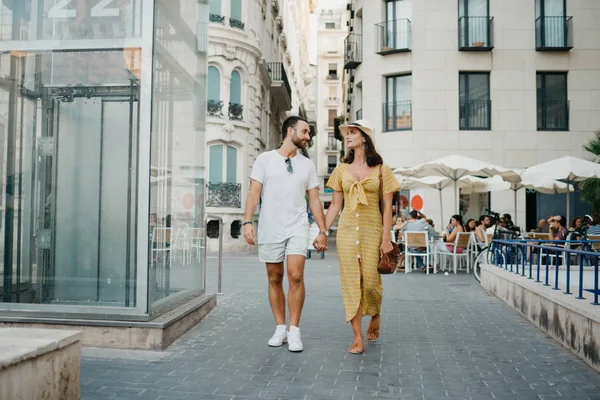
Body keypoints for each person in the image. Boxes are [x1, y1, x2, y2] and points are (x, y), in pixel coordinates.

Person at [243, 115, 328, 352]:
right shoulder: (265, 159)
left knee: (295, 275)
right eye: (304, 132)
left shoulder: (307, 165)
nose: (308, 136)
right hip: (270, 226)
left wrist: (322, 230)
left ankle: (294, 330)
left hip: (298, 225)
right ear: (290, 132)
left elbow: (314, 200)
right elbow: (253, 193)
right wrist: (248, 221)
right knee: (274, 276)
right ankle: (280, 327)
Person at [324, 120, 399, 355]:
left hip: (373, 230)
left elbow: (387, 207)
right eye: (347, 133)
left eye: (352, 133)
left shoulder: (382, 170)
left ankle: (375, 313)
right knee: (351, 283)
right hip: (346, 232)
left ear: (364, 137)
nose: (347, 136)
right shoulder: (340, 170)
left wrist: (386, 237)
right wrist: (322, 231)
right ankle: (357, 336)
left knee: (371, 280)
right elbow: (335, 205)